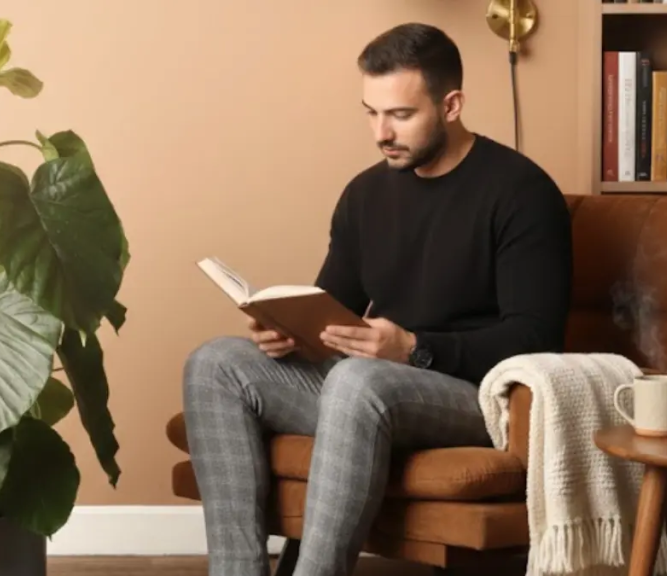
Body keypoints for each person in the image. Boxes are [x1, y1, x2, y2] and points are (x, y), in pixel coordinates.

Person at [181, 22, 572, 576]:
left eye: (401, 115)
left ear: (452, 104)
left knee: (357, 378)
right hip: (368, 388)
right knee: (215, 363)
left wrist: (413, 347)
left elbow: (537, 339)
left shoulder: (521, 192)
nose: (381, 132)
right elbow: (332, 307)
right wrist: (286, 330)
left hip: (476, 397)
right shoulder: (364, 194)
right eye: (371, 111)